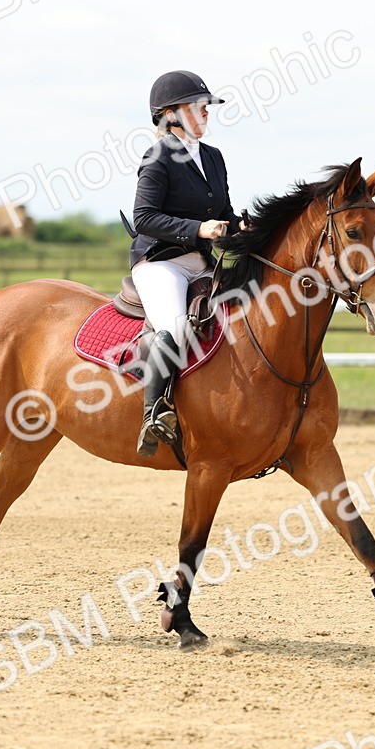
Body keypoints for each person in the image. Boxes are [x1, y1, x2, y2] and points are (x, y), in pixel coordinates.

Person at [130, 69, 245, 458]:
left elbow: (224, 214)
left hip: (201, 261)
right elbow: (144, 217)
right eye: (199, 106)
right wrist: (199, 228)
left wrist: (241, 226)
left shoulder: (213, 158)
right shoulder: (158, 157)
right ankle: (153, 413)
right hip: (161, 263)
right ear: (170, 114)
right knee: (175, 328)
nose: (207, 113)